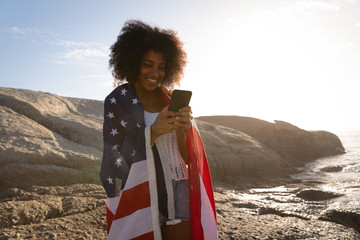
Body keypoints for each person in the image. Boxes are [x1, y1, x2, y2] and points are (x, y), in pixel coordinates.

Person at [100, 20, 217, 240]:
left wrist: (183, 132)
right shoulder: (117, 101)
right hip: (141, 190)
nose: (155, 72)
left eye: (161, 66)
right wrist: (151, 132)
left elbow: (187, 157)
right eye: (148, 64)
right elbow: (112, 155)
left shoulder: (169, 98)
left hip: (178, 186)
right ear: (133, 62)